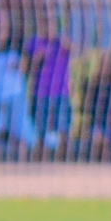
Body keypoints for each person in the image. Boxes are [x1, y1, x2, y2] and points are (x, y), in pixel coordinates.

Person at [23, 17, 72, 152]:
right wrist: (37, 58)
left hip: (61, 93)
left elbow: (73, 48)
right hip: (40, 93)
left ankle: (65, 158)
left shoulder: (61, 42)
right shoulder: (34, 42)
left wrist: (59, 38)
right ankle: (42, 158)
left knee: (62, 128)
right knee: (41, 129)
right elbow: (26, 67)